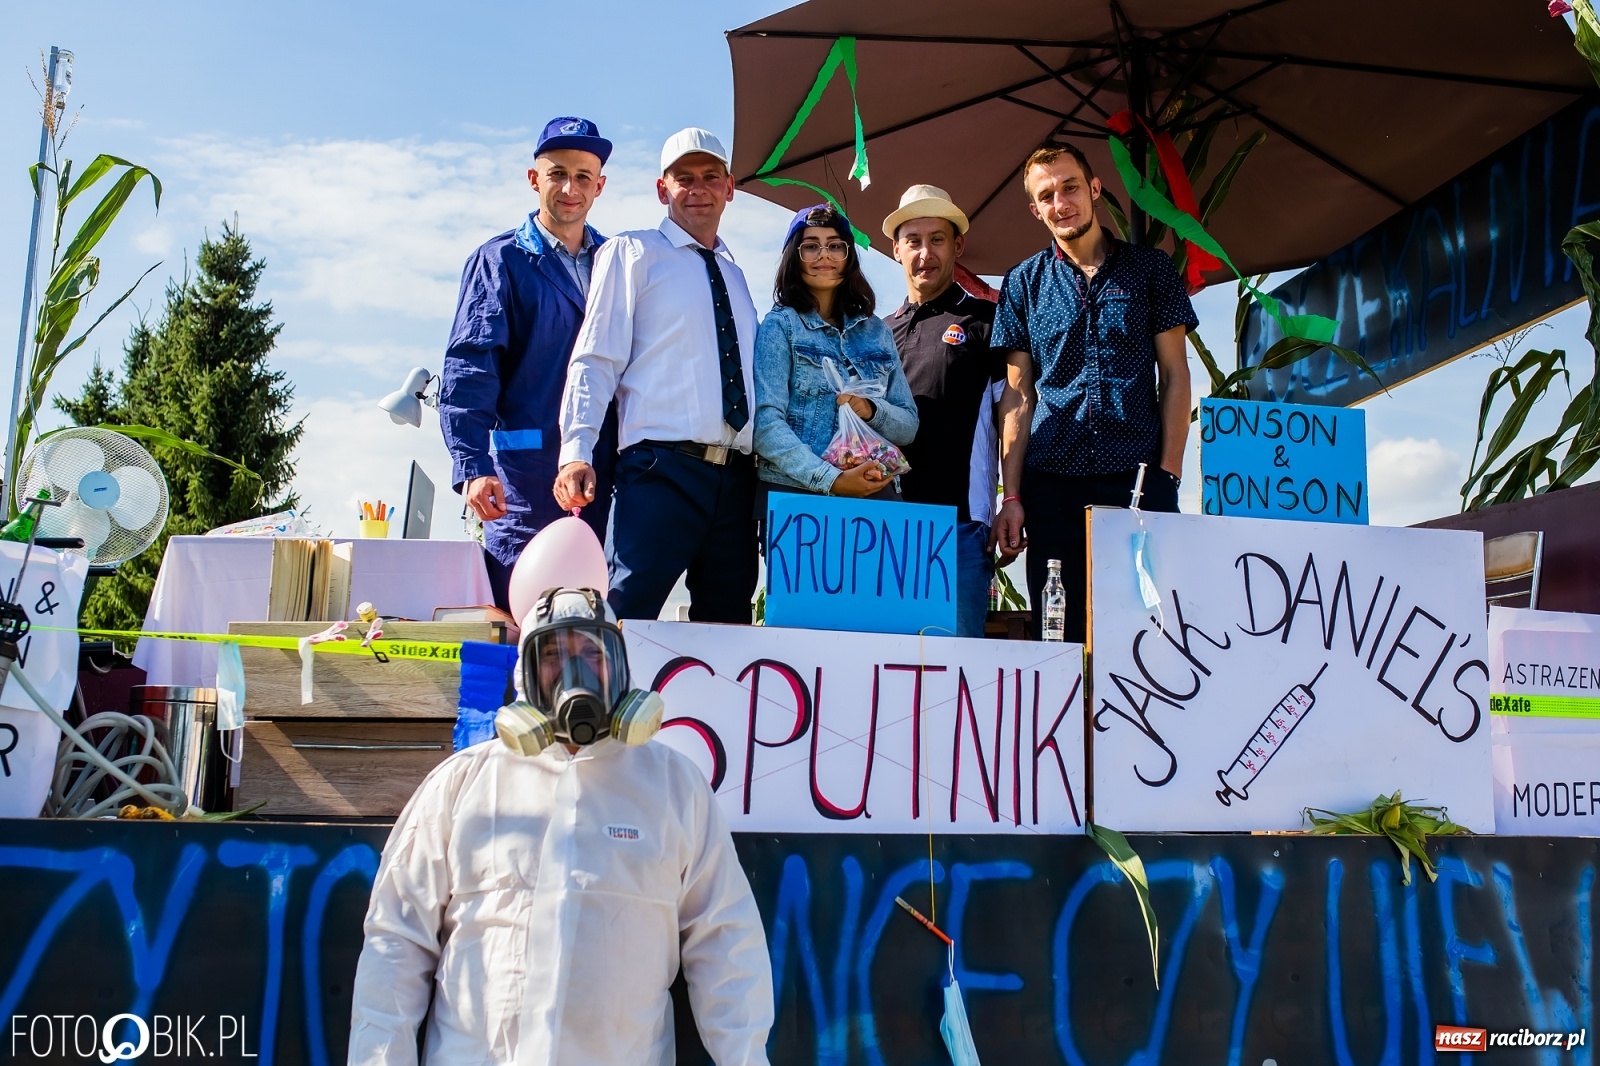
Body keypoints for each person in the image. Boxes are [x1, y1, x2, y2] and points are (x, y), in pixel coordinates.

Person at [348, 587, 774, 1065]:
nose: (576, 670)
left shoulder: (676, 787)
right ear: (525, 672)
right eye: (552, 654)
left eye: (592, 651)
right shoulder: (463, 783)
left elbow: (726, 943)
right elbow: (396, 944)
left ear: (618, 663)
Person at [555, 129, 761, 623]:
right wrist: (576, 450)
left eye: (710, 177)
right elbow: (595, 357)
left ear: (729, 188)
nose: (697, 189)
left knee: (728, 625)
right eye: (683, 178)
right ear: (661, 189)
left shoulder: (736, 276)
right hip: (661, 471)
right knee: (627, 611)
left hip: (736, 482)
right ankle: (594, 702)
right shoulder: (632, 253)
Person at [993, 144, 1197, 642]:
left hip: (1137, 482)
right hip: (1052, 484)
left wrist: (1168, 475)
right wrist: (1013, 495)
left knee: (1145, 631)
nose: (1061, 202)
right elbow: (1019, 397)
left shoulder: (1152, 270)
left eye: (1069, 187)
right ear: (1035, 210)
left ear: (1095, 189)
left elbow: (1174, 375)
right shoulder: (1022, 283)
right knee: (1059, 635)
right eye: (1047, 195)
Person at [438, 116, 619, 611]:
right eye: (556, 173)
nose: (569, 188)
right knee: (520, 614)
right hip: (524, 479)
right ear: (533, 178)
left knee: (592, 620)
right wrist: (472, 465)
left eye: (583, 176)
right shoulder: (500, 261)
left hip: (606, 473)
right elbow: (470, 369)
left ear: (599, 186)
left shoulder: (616, 263)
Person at [882, 184, 1018, 638]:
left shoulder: (987, 320)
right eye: (914, 241)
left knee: (955, 674)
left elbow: (1015, 410)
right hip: (883, 529)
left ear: (957, 246)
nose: (925, 253)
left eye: (937, 239)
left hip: (957, 530)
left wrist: (1012, 498)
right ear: (896, 248)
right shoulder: (877, 333)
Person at [752, 204, 918, 509]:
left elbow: (908, 426)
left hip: (875, 494)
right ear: (794, 256)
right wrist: (832, 479)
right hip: (797, 496)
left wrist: (869, 409)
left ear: (849, 256)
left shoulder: (876, 331)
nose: (824, 255)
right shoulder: (781, 326)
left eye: (835, 246)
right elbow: (765, 424)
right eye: (811, 246)